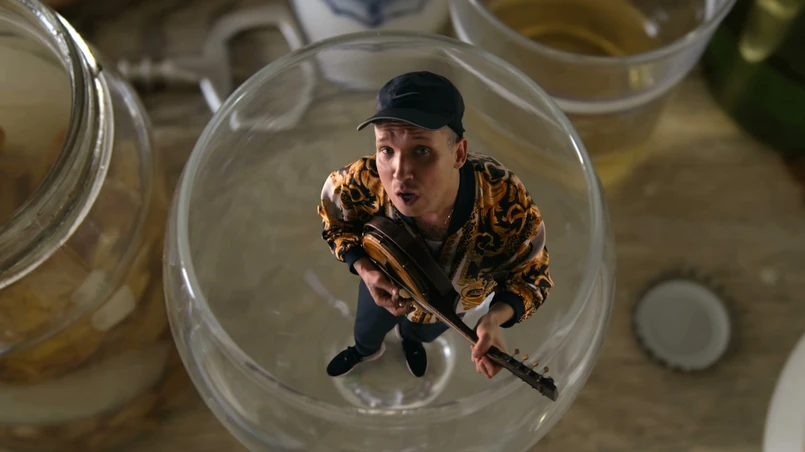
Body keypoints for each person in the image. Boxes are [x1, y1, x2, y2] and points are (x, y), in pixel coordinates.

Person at [317, 70, 553, 380]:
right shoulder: (362, 180)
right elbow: (335, 219)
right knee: (367, 329)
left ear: (459, 153)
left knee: (422, 333)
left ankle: (411, 341)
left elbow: (532, 275)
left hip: (449, 309)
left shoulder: (504, 200)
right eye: (386, 149)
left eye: (422, 151)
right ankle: (365, 350)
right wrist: (365, 269)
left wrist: (493, 319)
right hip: (382, 283)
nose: (400, 172)